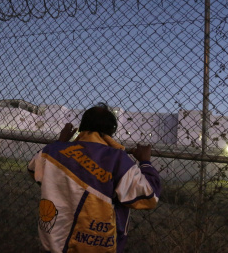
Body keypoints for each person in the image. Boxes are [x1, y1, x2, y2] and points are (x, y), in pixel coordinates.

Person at [28, 103, 161, 253]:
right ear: (112, 131)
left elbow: (34, 170)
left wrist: (60, 142)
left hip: (52, 244)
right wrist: (145, 163)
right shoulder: (116, 159)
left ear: (82, 127)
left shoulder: (52, 151)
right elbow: (150, 197)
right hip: (95, 246)